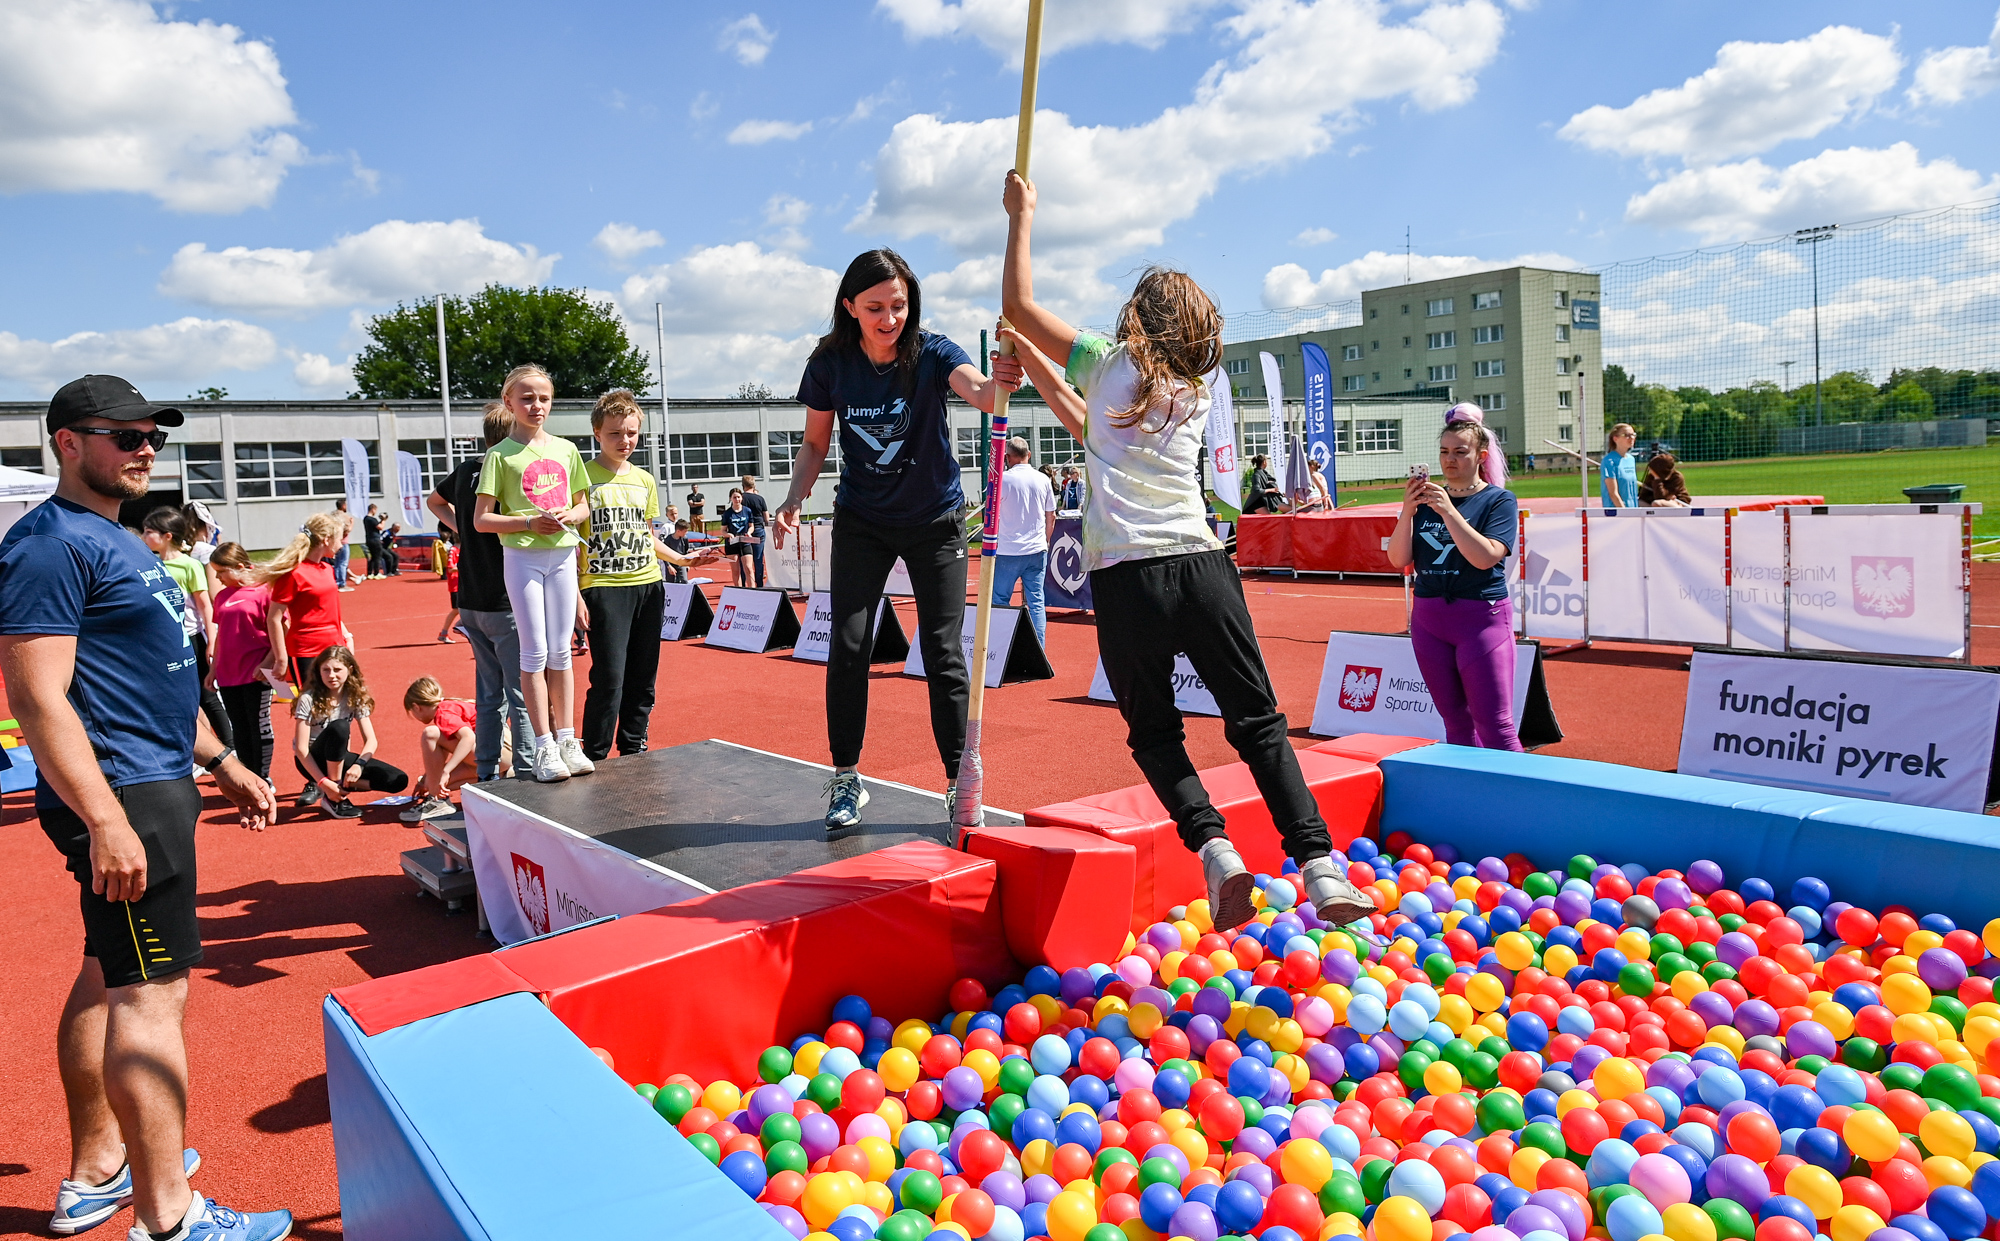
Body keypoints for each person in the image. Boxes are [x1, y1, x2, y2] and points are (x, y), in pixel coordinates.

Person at [998, 171, 1375, 932]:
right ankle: (1320, 865)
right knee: (1257, 721)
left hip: (1128, 579)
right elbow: (1088, 429)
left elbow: (1020, 306)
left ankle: (1214, 849)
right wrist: (1027, 360)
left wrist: (1021, 217)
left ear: (1135, 319)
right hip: (1201, 566)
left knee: (1154, 732)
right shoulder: (1197, 388)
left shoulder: (1108, 363)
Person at [0, 374, 289, 1240]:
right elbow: (39, 696)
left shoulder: (113, 537)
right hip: (126, 797)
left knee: (108, 972)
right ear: (66, 443)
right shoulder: (50, 545)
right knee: (152, 997)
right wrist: (106, 820)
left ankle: (99, 1171)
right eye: (122, 436)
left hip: (152, 778)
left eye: (150, 436)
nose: (144, 450)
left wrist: (226, 757)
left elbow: (142, 688)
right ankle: (170, 1215)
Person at [772, 247, 1023, 835]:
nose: (890, 319)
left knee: (942, 650)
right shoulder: (831, 363)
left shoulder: (932, 351)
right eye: (876, 308)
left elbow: (982, 393)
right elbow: (814, 444)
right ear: (850, 307)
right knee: (850, 644)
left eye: (900, 306)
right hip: (862, 520)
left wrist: (1004, 378)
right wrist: (792, 497)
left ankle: (960, 782)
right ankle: (844, 778)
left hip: (935, 521)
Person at [473, 364, 594, 783]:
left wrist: (569, 515)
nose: (536, 405)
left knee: (562, 653)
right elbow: (482, 519)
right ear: (509, 403)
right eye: (526, 398)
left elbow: (583, 507)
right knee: (534, 653)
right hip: (522, 559)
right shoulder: (499, 455)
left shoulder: (566, 449)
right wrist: (527, 523)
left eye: (543, 398)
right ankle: (543, 746)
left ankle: (566, 740)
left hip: (561, 557)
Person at [577, 389, 710, 763]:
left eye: (632, 433)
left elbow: (647, 537)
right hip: (603, 588)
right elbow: (570, 542)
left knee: (642, 678)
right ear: (597, 433)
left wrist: (683, 562)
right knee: (609, 679)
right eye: (615, 433)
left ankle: (634, 747)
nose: (625, 440)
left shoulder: (644, 480)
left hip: (648, 585)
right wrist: (574, 594)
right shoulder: (581, 476)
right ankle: (596, 753)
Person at [1387, 403, 1523, 752]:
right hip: (1430, 620)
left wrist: (1448, 511)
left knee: (1496, 726)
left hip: (1481, 619)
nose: (1450, 460)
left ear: (1481, 455)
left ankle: (1522, 800)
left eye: (1461, 452)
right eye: (1444, 452)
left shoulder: (1498, 500)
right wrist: (1408, 511)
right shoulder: (1424, 501)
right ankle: (1472, 798)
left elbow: (1485, 558)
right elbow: (1399, 558)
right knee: (1455, 723)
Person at [427, 403, 536, 786]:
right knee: (522, 692)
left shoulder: (466, 469)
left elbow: (433, 500)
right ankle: (524, 767)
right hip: (504, 599)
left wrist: (463, 528)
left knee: (490, 695)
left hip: (471, 602)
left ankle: (488, 769)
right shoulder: (506, 470)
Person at [255, 514, 352, 806]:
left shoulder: (325, 568)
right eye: (339, 537)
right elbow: (274, 617)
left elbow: (332, 611)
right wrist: (281, 659)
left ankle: (332, 777)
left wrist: (346, 645)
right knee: (314, 715)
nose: (342, 543)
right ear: (325, 540)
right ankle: (313, 779)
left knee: (337, 714)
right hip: (307, 652)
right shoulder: (294, 572)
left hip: (334, 651)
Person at [140, 507, 232, 752]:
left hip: (191, 639)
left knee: (206, 696)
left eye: (149, 531)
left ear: (167, 536)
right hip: (164, 642)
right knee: (176, 697)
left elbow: (205, 607)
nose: (143, 536)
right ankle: (194, 748)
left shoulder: (190, 565)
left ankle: (230, 746)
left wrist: (212, 641)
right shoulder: (151, 564)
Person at [292, 646, 407, 818]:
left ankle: (339, 790)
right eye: (326, 670)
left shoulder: (355, 696)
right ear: (319, 672)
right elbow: (301, 749)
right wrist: (323, 782)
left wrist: (358, 765)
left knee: (397, 780)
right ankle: (334, 799)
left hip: (338, 757)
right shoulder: (308, 698)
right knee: (340, 726)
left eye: (337, 670)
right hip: (311, 760)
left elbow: (371, 741)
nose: (331, 675)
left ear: (349, 670)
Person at [209, 543, 278, 784]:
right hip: (229, 673)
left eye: (221, 572)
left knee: (258, 724)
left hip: (257, 671)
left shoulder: (265, 592)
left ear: (239, 567)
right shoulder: (222, 596)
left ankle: (262, 776)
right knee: (239, 726)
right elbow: (221, 634)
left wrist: (269, 662)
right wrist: (213, 668)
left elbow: (282, 631)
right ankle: (248, 776)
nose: (217, 578)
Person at [991, 436, 1055, 646]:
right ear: (1028, 454)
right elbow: (1051, 515)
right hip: (1036, 550)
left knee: (1000, 600)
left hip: (1009, 550)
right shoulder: (1043, 479)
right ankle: (1039, 649)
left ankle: (1000, 649)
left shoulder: (1003, 479)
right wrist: (1045, 541)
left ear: (1008, 457)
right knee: (1036, 602)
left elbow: (992, 515)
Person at [400, 676, 487, 823]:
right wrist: (427, 778)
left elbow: (468, 737)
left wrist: (447, 771)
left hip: (493, 753)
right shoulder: (450, 705)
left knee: (430, 734)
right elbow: (446, 748)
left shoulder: (443, 713)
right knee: (432, 782)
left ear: (416, 707)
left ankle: (437, 801)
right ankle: (437, 797)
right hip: (498, 758)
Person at [719, 488, 757, 587]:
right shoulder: (727, 513)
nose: (737, 499)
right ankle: (738, 590)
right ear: (731, 499)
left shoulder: (747, 511)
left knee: (748, 567)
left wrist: (749, 532)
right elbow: (723, 530)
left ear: (742, 498)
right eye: (734, 497)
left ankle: (752, 590)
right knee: (736, 570)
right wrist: (728, 535)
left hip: (745, 542)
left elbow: (751, 526)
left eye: (738, 497)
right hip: (732, 543)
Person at [740, 475, 769, 587]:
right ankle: (760, 584)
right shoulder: (760, 499)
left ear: (743, 485)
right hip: (758, 529)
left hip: (744, 530)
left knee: (744, 558)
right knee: (758, 558)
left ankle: (743, 583)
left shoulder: (741, 498)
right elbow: (766, 516)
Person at [1601, 422, 1639, 508]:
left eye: (1633, 435)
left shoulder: (1631, 459)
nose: (1632, 438)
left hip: (1632, 509)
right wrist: (1624, 512)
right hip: (1617, 512)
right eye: (1626, 435)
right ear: (1615, 438)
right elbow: (1613, 493)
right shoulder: (1609, 461)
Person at [436, 532, 461, 642]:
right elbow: (451, 568)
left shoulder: (462, 550)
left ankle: (456, 629)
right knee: (457, 610)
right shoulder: (454, 550)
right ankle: (445, 632)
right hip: (456, 585)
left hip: (463, 585)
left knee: (464, 610)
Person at [332, 498, 354, 591]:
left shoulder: (332, 515)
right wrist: (352, 523)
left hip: (334, 542)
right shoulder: (344, 517)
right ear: (343, 505)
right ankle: (341, 583)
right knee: (343, 563)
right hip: (343, 542)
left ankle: (336, 581)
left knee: (337, 563)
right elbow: (347, 530)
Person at [663, 519, 691, 584]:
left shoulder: (684, 539)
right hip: (671, 563)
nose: (686, 533)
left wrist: (687, 564)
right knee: (670, 583)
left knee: (684, 581)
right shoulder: (668, 540)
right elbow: (664, 555)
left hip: (681, 563)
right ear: (678, 531)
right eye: (685, 531)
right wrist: (669, 566)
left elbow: (686, 552)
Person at [361, 503, 386, 578]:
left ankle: (370, 573)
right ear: (373, 509)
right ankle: (376, 573)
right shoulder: (372, 519)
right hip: (375, 539)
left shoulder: (365, 519)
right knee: (377, 556)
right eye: (375, 510)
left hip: (369, 539)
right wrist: (383, 520)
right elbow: (381, 527)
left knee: (373, 557)